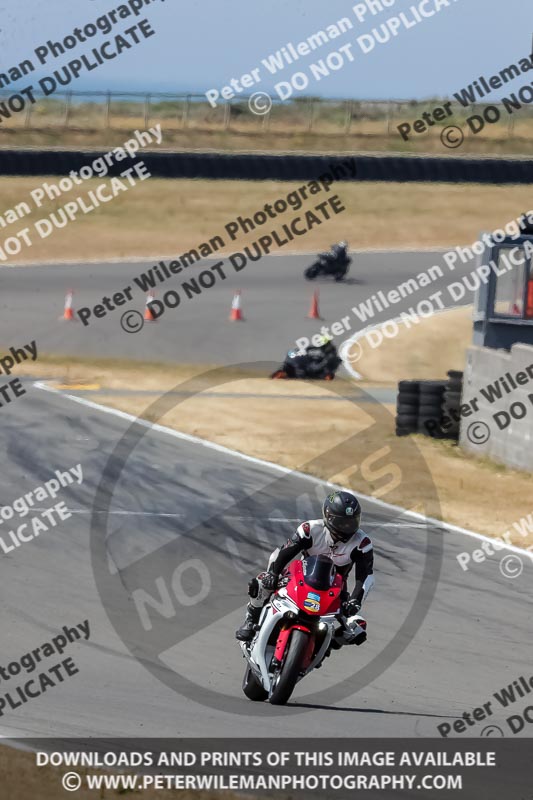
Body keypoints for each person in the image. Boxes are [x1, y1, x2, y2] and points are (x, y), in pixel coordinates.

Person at [235, 490, 374, 644]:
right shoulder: (310, 529)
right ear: (329, 517)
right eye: (342, 522)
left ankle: (330, 642)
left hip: (335, 588)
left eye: (352, 522)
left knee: (358, 628)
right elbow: (285, 552)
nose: (347, 527)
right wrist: (273, 574)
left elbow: (365, 576)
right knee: (261, 582)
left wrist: (355, 601)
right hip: (300, 577)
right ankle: (251, 621)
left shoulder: (362, 543)